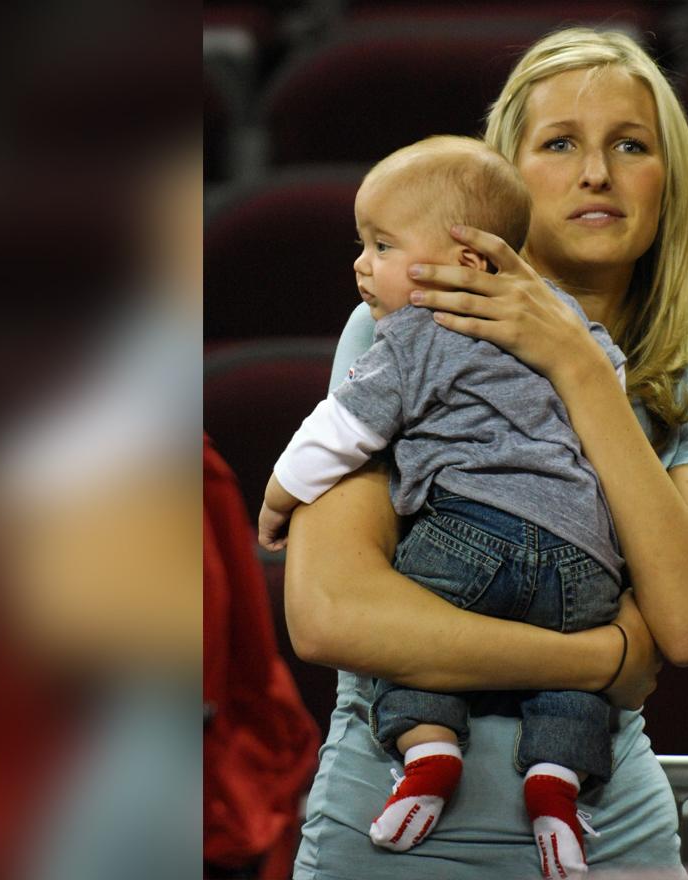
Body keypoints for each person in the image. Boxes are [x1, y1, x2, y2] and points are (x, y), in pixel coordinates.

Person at [285, 27, 688, 880]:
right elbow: (330, 612)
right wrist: (601, 658)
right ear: (502, 177)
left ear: (666, 182)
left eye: (631, 145)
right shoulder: (400, 324)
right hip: (387, 829)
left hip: (611, 836)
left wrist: (578, 366)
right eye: (561, 142)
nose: (597, 173)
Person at [257, 135, 629, 871]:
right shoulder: (565, 327)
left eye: (383, 245)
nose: (361, 264)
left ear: (465, 261)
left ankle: (427, 750)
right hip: (585, 563)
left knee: (407, 630)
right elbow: (608, 399)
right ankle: (557, 781)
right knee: (573, 680)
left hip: (472, 539)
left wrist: (276, 499)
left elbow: (341, 431)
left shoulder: (411, 334)